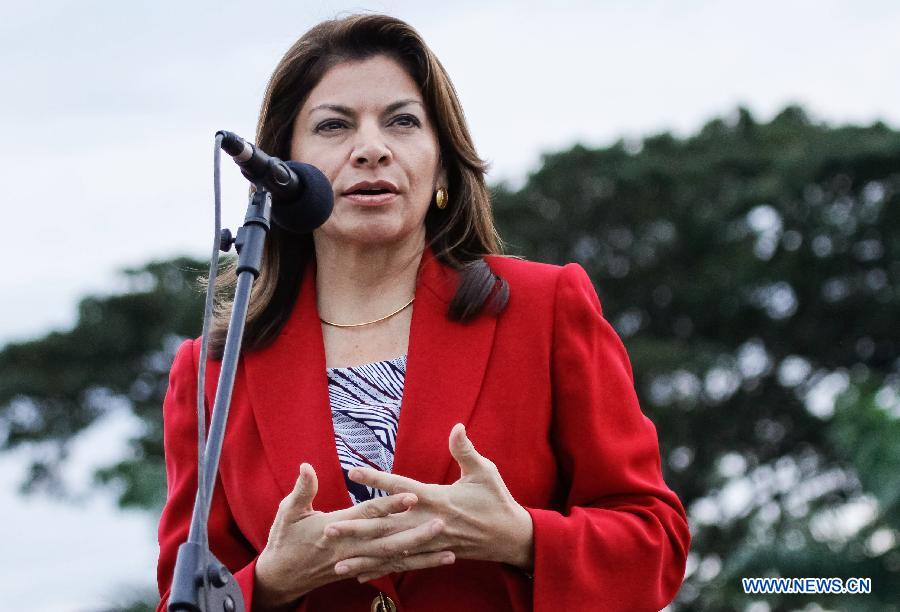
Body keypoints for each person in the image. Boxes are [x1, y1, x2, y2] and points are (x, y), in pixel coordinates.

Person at [156, 14, 691, 612]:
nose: (371, 149)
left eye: (402, 122)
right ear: (284, 169)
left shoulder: (545, 309)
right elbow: (182, 599)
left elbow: (655, 545)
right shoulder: (211, 370)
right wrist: (274, 581)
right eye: (333, 126)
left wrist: (521, 538)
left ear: (441, 161)